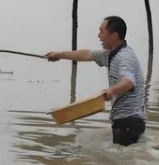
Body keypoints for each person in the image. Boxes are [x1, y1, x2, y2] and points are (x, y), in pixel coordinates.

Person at [44, 16, 146, 147]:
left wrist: (111, 91)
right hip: (124, 122)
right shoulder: (110, 55)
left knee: (119, 163)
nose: (99, 36)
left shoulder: (124, 57)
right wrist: (59, 55)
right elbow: (87, 54)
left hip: (129, 123)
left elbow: (129, 81)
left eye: (102, 32)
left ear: (114, 35)